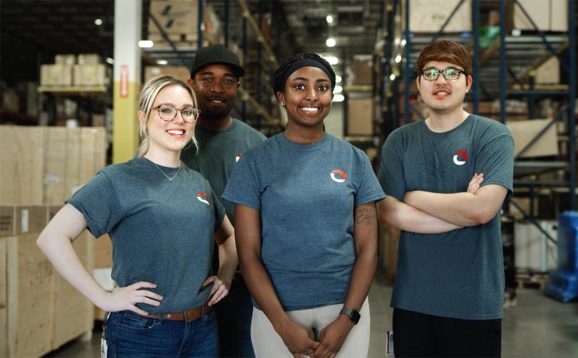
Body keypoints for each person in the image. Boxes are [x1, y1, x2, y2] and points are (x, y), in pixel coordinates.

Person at [37, 75, 238, 357]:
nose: (178, 119)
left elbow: (228, 237)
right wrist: (103, 297)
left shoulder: (198, 184)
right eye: (165, 109)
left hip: (202, 330)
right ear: (144, 117)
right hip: (141, 333)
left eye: (187, 111)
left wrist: (226, 275)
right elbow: (52, 237)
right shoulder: (117, 179)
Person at [223, 53, 385, 358]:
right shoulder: (255, 163)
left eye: (322, 87)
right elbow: (249, 254)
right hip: (276, 311)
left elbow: (368, 249)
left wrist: (347, 319)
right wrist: (283, 325)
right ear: (281, 97)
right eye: (300, 87)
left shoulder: (355, 160)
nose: (312, 96)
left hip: (344, 308)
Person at [378, 40, 514, 357]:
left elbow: (482, 210)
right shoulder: (400, 141)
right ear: (418, 84)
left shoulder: (492, 136)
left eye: (452, 72)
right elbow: (389, 213)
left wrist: (412, 196)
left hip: (474, 304)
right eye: (431, 72)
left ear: (467, 83)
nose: (441, 80)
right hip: (413, 301)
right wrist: (459, 209)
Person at [181, 44, 266, 358]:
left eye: (228, 80)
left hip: (241, 286)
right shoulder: (174, 139)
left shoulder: (256, 145)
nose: (217, 88)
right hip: (183, 282)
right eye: (207, 79)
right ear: (191, 83)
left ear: (238, 87)